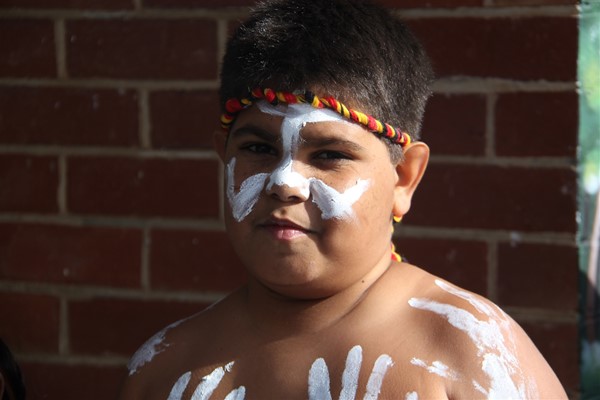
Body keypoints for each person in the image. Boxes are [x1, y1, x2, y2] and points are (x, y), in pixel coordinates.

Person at [120, 0, 567, 398]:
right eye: (258, 149)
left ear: (404, 179)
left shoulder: (473, 357)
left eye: (330, 155)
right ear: (224, 157)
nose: (285, 182)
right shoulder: (163, 369)